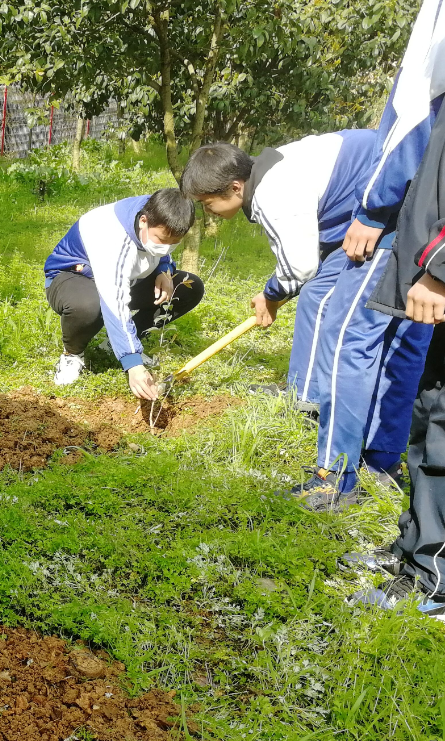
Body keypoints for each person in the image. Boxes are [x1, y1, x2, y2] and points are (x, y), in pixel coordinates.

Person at [289, 0, 445, 511]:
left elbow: (410, 122)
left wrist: (373, 209)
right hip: (434, 228)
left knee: (346, 335)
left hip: (405, 216)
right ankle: (381, 461)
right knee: (408, 340)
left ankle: (334, 475)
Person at [181, 132, 377, 415]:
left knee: (317, 297)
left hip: (383, 200)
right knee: (316, 293)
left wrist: (270, 295)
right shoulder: (267, 174)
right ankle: (304, 389)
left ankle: (305, 401)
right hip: (352, 209)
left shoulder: (273, 193)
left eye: (207, 202)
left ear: (236, 187)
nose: (207, 210)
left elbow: (301, 266)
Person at [345, 107, 445, 616]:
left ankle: (435, 582)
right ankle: (415, 553)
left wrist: (440, 263)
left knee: (443, 429)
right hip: (427, 261)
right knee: (428, 417)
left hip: (438, 265)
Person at [42, 188, 201, 399]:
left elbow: (160, 253)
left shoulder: (162, 213)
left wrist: (164, 269)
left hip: (127, 277)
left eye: (174, 243)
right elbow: (114, 301)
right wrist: (132, 363)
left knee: (189, 287)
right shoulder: (113, 237)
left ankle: (112, 344)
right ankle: (72, 354)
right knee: (89, 306)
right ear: (143, 221)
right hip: (73, 277)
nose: (166, 247)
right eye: (161, 240)